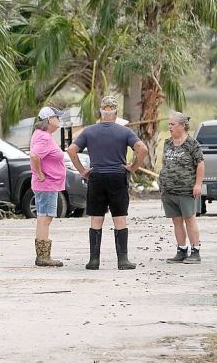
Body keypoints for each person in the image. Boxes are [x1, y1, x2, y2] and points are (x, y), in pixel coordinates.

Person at [67, 96, 148, 270]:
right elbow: (142, 148)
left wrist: (82, 170)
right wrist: (133, 167)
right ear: (116, 113)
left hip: (96, 176)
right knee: (119, 217)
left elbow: (72, 149)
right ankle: (123, 260)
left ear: (101, 112)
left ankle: (94, 260)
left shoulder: (89, 131)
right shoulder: (124, 131)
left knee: (96, 218)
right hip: (117, 176)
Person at [159, 112, 204, 264]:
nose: (169, 127)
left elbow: (200, 164)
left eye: (172, 124)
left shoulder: (192, 144)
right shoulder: (168, 143)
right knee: (176, 221)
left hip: (186, 189)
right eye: (169, 124)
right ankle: (181, 250)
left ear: (182, 125)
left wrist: (198, 184)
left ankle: (195, 250)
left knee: (189, 219)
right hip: (168, 190)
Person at [30, 107, 67, 267]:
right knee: (45, 218)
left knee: (43, 218)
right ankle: (43, 257)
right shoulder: (44, 137)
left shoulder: (43, 136)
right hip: (47, 184)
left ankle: (42, 255)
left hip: (48, 184)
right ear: (49, 119)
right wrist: (40, 173)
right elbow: (34, 155)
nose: (59, 119)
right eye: (56, 116)